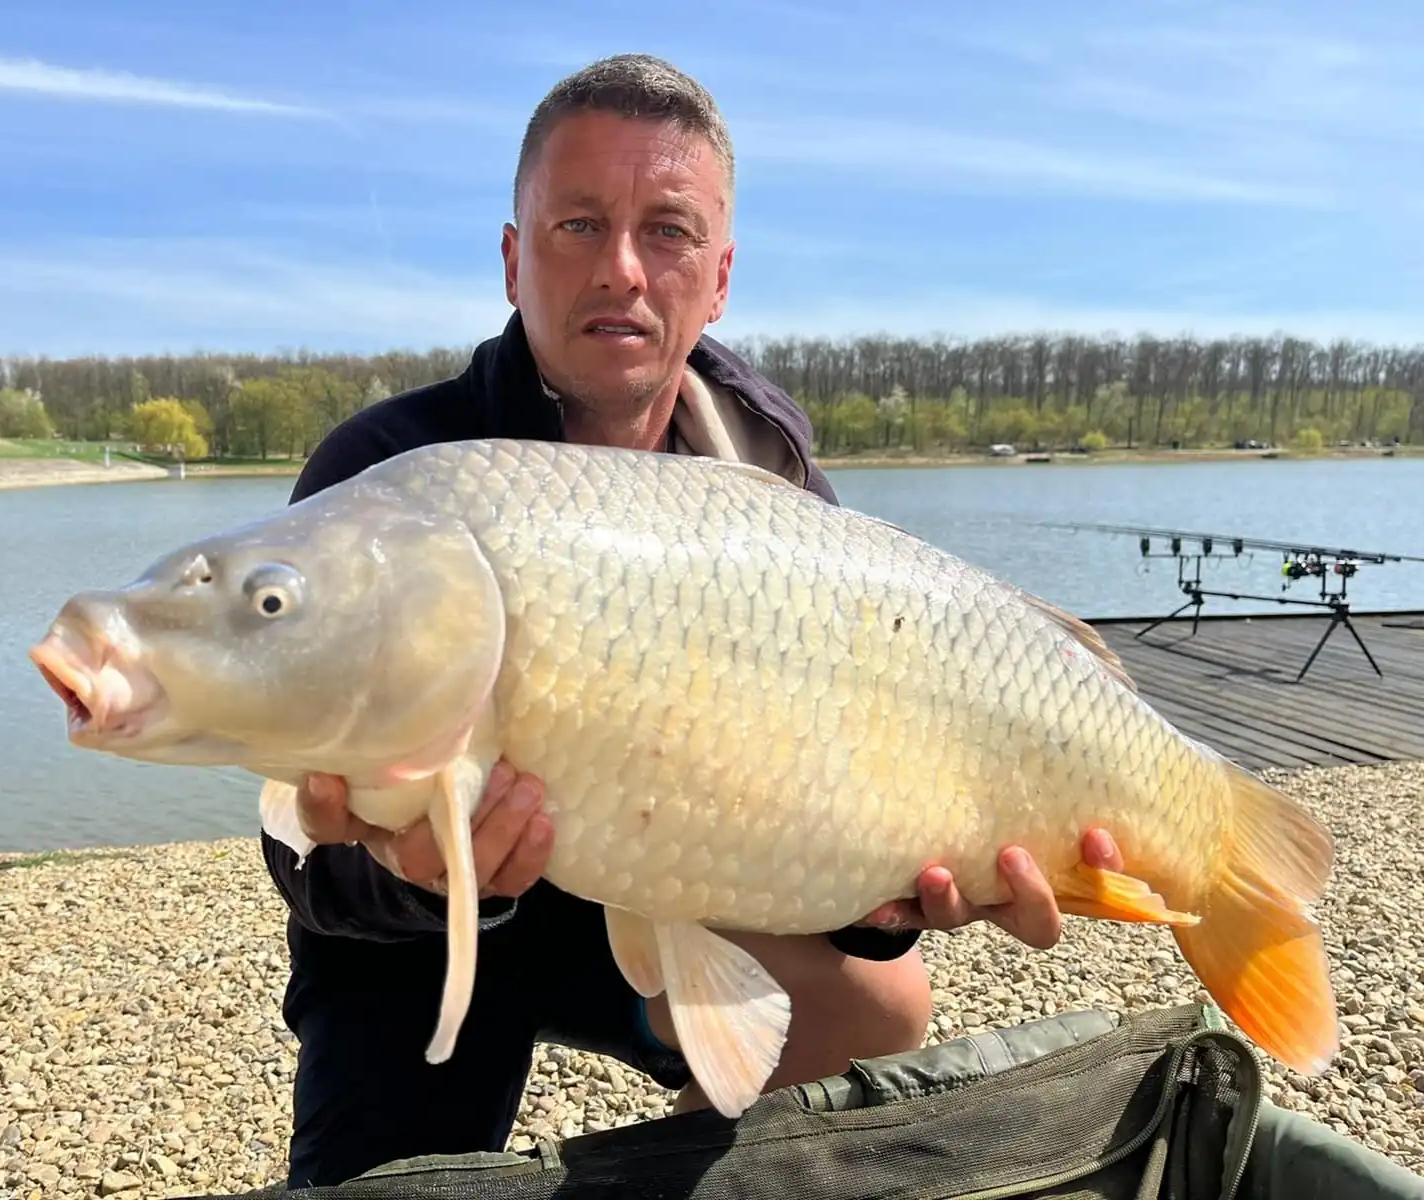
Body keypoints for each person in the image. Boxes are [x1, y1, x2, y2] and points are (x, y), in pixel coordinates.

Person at [261, 52, 1126, 1189]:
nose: (621, 268)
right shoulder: (391, 475)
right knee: (368, 1186)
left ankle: (690, 1167)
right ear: (514, 259)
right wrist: (419, 879)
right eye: (578, 224)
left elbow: (830, 796)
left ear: (718, 278)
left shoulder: (770, 475)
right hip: (429, 939)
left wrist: (887, 900)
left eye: (667, 231)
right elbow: (300, 853)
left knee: (881, 999)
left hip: (677, 890)